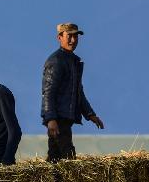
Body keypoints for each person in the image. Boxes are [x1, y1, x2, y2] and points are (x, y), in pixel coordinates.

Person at [42, 22, 104, 161]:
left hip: (65, 119)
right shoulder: (56, 61)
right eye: (69, 36)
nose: (73, 40)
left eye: (76, 37)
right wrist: (50, 119)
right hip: (58, 119)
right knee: (67, 157)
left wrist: (90, 114)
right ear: (60, 37)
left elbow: (78, 92)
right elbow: (48, 92)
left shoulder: (73, 61)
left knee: (56, 157)